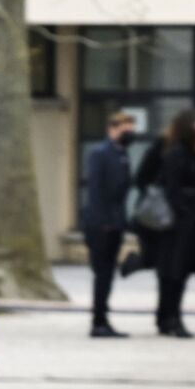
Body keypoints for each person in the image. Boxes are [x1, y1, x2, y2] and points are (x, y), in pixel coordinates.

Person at [142, 108, 195, 338]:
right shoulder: (175, 153)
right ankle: (171, 318)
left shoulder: (192, 153)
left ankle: (167, 317)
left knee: (178, 272)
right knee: (173, 272)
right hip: (176, 224)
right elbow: (172, 188)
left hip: (188, 221)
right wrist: (184, 213)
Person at [80, 112, 136, 337]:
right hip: (101, 225)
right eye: (125, 129)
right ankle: (98, 322)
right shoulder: (100, 153)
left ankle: (102, 319)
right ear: (112, 129)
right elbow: (95, 190)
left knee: (107, 274)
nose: (129, 133)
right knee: (102, 274)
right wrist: (103, 221)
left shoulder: (122, 154)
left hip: (115, 223)